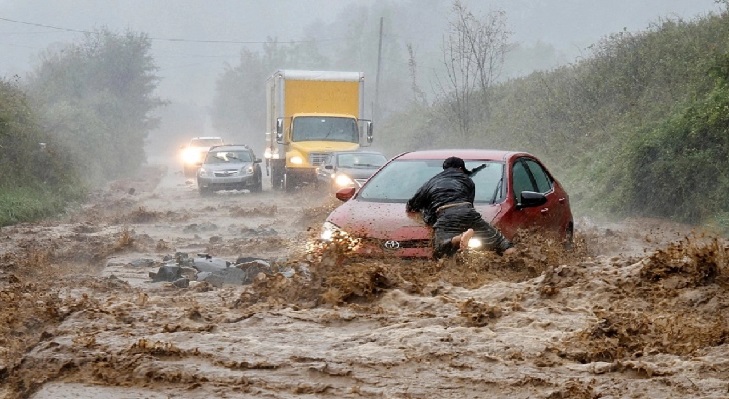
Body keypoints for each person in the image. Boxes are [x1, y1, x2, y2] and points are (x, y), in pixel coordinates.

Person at [406, 156, 516, 258]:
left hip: (445, 214)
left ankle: (459, 238)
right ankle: (517, 264)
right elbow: (470, 204)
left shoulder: (431, 182)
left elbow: (412, 204)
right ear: (461, 168)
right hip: (468, 211)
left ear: (445, 169)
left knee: (439, 248)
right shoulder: (467, 180)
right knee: (502, 243)